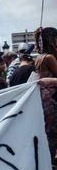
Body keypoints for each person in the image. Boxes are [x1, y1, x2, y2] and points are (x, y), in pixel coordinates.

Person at [34, 27, 57, 162]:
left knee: (49, 135)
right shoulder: (49, 58)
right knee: (53, 135)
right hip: (53, 99)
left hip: (44, 99)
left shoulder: (40, 57)